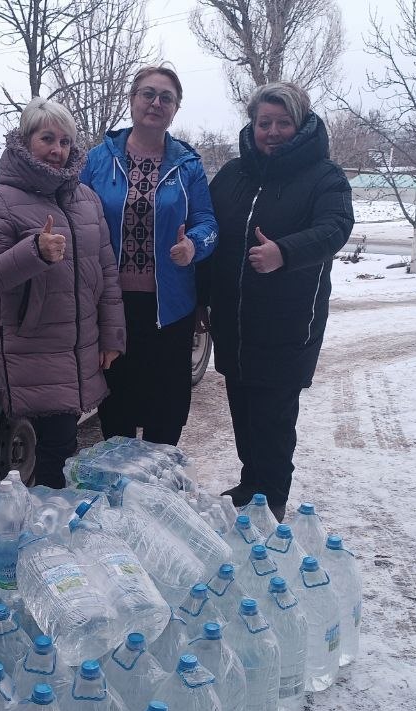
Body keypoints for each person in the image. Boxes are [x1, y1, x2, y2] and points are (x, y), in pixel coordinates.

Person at [201, 81, 354, 518]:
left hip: (288, 322)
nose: (272, 131)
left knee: (273, 417)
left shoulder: (324, 177)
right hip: (233, 322)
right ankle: (252, 484)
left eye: (283, 123)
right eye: (264, 122)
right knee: (243, 409)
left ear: (300, 124)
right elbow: (210, 233)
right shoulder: (234, 175)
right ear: (252, 125)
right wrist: (201, 299)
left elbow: (335, 228)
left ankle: (272, 500)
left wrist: (283, 253)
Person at [0, 98, 126, 489]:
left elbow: (106, 272)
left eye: (65, 141)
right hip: (34, 344)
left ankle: (50, 514)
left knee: (62, 447)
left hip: (80, 346)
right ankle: (45, 517)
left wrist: (112, 336)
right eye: (47, 139)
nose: (57, 150)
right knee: (55, 449)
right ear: (26, 140)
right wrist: (34, 252)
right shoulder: (1, 199)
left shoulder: (86, 200)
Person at [81, 65, 218, 446]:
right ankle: (119, 479)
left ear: (175, 109)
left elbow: (208, 223)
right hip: (111, 303)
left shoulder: (188, 165)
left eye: (166, 98)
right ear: (131, 100)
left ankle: (159, 478)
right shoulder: (97, 160)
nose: (156, 103)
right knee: (117, 408)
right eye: (148, 94)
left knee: (166, 411)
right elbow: (73, 215)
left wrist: (193, 245)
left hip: (170, 308)